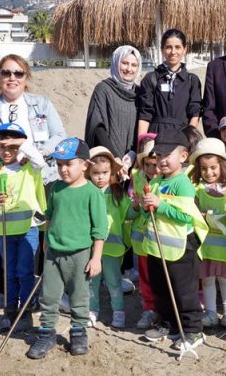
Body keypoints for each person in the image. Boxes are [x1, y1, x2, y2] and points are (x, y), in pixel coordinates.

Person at [0, 54, 66, 294]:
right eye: (6, 73)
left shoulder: (42, 105)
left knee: (41, 240)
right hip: (3, 183)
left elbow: (59, 136)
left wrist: (36, 153)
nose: (12, 78)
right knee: (7, 241)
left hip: (40, 181)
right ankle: (10, 293)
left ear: (26, 76)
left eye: (18, 73)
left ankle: (45, 290)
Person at [26, 138, 108, 359]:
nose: (63, 169)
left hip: (80, 255)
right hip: (53, 253)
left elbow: (100, 229)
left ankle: (79, 332)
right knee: (49, 296)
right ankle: (46, 334)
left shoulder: (92, 193)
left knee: (79, 297)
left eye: (68, 164)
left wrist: (96, 258)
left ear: (84, 165)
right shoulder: (55, 188)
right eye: (59, 164)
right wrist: (46, 243)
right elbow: (50, 216)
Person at [133, 129, 208, 354]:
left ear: (183, 157)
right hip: (157, 247)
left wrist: (161, 205)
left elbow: (187, 216)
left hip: (180, 248)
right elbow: (149, 215)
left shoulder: (182, 184)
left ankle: (193, 330)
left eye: (168, 155)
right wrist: (143, 207)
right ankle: (169, 324)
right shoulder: (155, 182)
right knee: (161, 288)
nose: (162, 160)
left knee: (183, 290)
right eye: (158, 156)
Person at [0, 123, 46, 332]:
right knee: (9, 272)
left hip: (28, 230)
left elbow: (40, 160)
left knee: (25, 272)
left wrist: (21, 143)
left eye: (13, 147)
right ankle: (10, 311)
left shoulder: (29, 167)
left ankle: (25, 312)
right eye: (2, 147)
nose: (7, 151)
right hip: (5, 232)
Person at [189, 138, 226, 331]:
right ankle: (211, 312)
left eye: (213, 167)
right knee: (208, 278)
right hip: (206, 245)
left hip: (225, 245)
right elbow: (193, 211)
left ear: (223, 166)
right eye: (204, 169)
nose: (209, 172)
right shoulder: (197, 190)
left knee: (225, 279)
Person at [87, 147, 130, 329]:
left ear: (111, 171)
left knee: (113, 280)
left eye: (104, 172)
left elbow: (128, 214)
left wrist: (137, 208)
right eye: (95, 173)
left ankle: (118, 310)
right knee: (91, 280)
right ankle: (92, 310)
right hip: (89, 246)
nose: (100, 177)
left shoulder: (117, 192)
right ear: (88, 173)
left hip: (112, 247)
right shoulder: (86, 191)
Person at [137, 29, 202, 136]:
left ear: (185, 49)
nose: (173, 52)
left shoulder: (192, 81)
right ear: (162, 49)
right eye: (168, 47)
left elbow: (195, 114)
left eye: (177, 47)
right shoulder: (150, 79)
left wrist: (189, 139)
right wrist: (142, 143)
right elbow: (144, 115)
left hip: (182, 137)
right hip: (156, 136)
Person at [85, 45, 141, 164]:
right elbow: (97, 127)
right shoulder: (103, 89)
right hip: (108, 160)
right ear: (116, 63)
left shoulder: (140, 93)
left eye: (134, 65)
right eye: (125, 63)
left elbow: (143, 126)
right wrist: (114, 157)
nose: (129, 69)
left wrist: (134, 153)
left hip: (134, 160)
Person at [128, 136, 160, 329]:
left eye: (154, 164)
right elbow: (131, 209)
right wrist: (135, 206)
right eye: (147, 164)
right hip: (141, 234)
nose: (150, 169)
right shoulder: (137, 178)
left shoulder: (166, 180)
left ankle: (163, 310)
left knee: (161, 276)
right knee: (145, 276)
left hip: (161, 236)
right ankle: (148, 308)